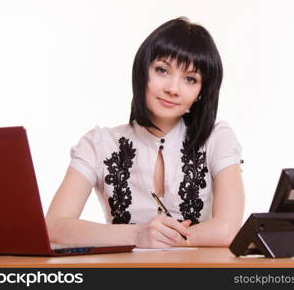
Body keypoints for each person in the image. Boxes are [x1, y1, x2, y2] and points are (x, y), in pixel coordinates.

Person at [46, 17, 245, 248]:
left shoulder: (217, 138)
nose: (172, 89)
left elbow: (228, 230)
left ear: (201, 92)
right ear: (143, 72)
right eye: (162, 70)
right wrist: (137, 236)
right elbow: (54, 226)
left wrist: (163, 239)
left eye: (190, 79)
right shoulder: (99, 144)